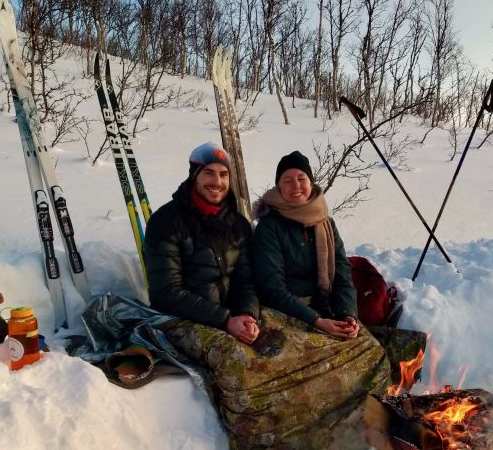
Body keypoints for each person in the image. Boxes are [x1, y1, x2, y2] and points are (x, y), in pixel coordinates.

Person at [143, 142, 260, 344]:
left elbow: (245, 279)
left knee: (297, 344)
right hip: (182, 319)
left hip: (232, 316)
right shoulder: (166, 222)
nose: (217, 181)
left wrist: (246, 314)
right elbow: (166, 292)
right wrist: (224, 320)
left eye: (224, 174)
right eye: (208, 173)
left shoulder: (238, 223)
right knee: (241, 362)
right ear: (194, 175)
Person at [253, 150, 360, 339]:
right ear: (278, 187)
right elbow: (271, 288)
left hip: (324, 305)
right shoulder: (269, 226)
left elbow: (343, 273)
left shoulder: (326, 223)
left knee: (368, 349)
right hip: (285, 311)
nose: (296, 186)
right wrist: (316, 320)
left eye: (301, 178)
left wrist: (347, 314)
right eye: (287, 181)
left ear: (310, 182)